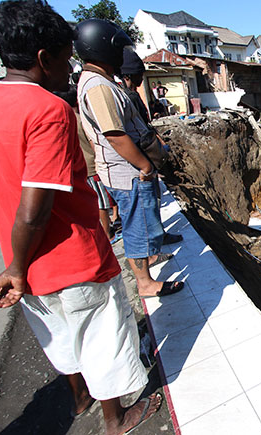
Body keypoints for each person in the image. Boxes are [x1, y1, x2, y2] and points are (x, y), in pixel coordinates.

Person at [0, 0, 161, 435]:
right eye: (65, 57)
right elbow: (36, 207)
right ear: (43, 58)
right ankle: (117, 418)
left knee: (62, 337)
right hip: (71, 255)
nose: (69, 67)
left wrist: (17, 263)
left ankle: (79, 400)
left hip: (26, 261)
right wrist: (15, 266)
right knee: (100, 336)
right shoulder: (48, 109)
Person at [75, 19, 184, 298]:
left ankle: (149, 258)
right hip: (127, 173)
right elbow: (115, 134)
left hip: (129, 170)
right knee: (137, 227)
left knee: (143, 222)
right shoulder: (98, 86)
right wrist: (145, 165)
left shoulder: (100, 81)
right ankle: (146, 283)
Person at [54, 85, 118, 243]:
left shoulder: (63, 121)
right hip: (91, 167)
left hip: (79, 168)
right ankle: (106, 233)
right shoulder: (81, 120)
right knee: (102, 203)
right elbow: (93, 144)